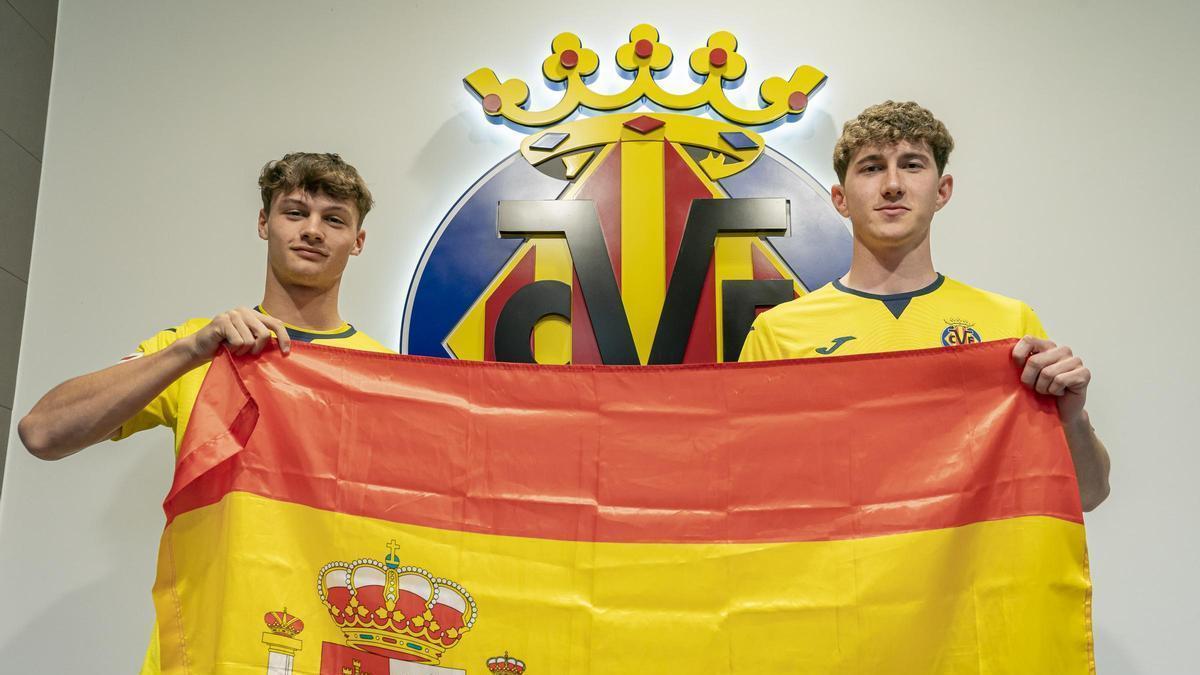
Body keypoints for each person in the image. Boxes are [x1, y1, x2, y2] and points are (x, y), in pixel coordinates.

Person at [17, 151, 393, 672]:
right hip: (206, 651)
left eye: (333, 219)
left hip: (332, 650)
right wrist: (190, 351)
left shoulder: (391, 375)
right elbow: (42, 432)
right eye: (294, 212)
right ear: (264, 223)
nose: (312, 231)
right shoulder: (196, 347)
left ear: (358, 241)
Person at [739, 101, 1110, 512]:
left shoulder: (1010, 325)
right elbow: (753, 498)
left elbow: (1087, 494)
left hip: (968, 577)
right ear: (841, 199)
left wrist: (1071, 417)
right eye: (872, 167)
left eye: (912, 164)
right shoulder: (779, 333)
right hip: (844, 573)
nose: (893, 185)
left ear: (942, 191)